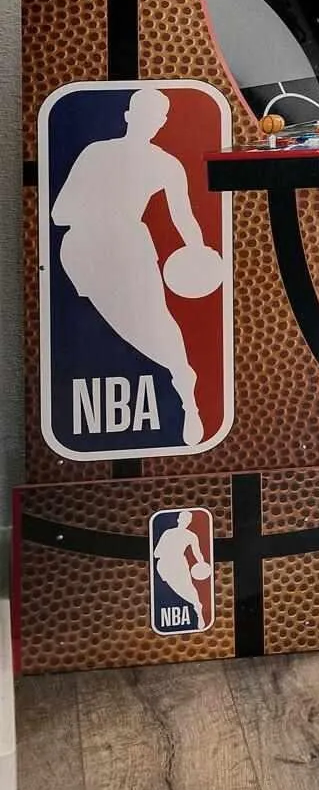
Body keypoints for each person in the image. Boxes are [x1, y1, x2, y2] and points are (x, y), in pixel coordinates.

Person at [51, 87, 211, 446]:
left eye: (156, 116)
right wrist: (101, 212)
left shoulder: (167, 164)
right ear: (128, 115)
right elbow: (59, 213)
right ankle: (182, 374)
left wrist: (198, 253)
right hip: (84, 252)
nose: (150, 123)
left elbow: (183, 218)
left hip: (132, 248)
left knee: (154, 319)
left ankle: (186, 389)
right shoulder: (96, 153)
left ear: (163, 122)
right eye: (144, 114)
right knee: (130, 326)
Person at [152, 510, 213, 632]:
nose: (185, 521)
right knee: (185, 589)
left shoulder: (172, 533)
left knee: (187, 588)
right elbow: (198, 555)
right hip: (170, 565)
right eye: (186, 519)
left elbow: (156, 553)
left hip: (171, 564)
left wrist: (201, 564)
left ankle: (198, 609)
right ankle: (197, 606)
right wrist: (201, 563)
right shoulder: (188, 535)